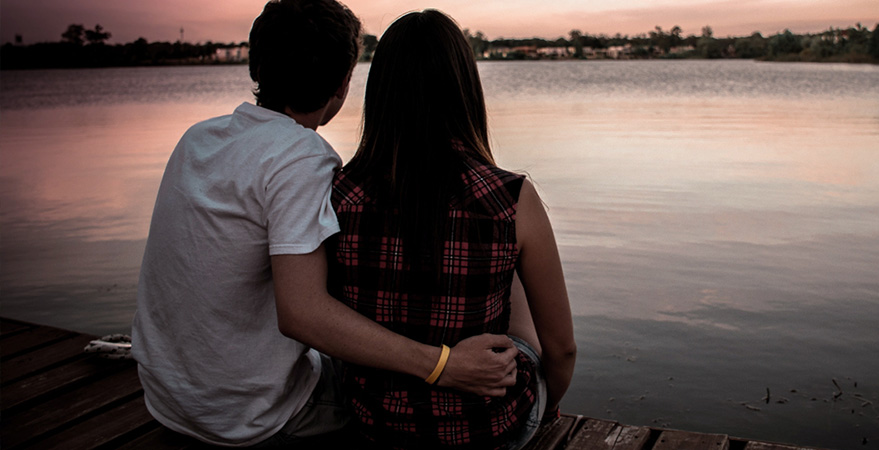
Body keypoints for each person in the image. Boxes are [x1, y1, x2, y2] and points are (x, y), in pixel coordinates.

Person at [131, 1, 519, 447]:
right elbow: (303, 315)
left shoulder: (198, 138)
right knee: (385, 391)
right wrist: (441, 364)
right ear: (343, 84)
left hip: (168, 399)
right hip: (249, 418)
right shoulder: (301, 157)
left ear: (257, 66)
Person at [325, 10, 577, 450]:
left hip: (374, 425)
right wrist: (549, 407)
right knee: (512, 257)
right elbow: (562, 351)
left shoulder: (338, 193)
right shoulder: (511, 197)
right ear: (465, 89)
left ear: (380, 92)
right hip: (486, 431)